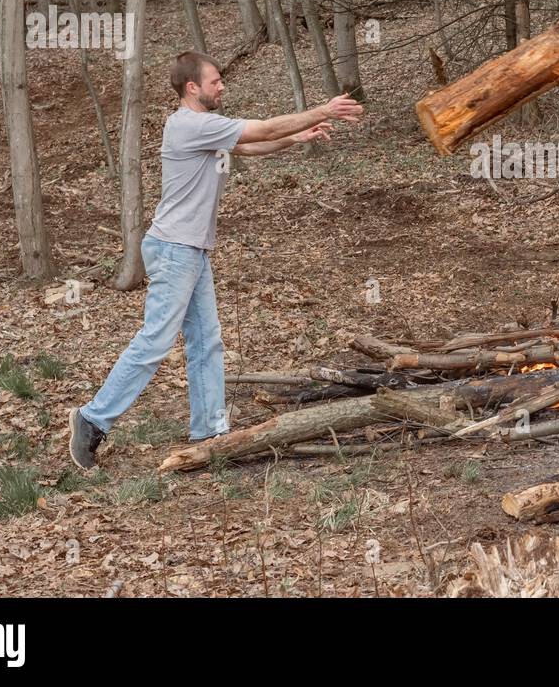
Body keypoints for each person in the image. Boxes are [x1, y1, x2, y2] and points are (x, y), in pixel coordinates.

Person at [68, 51, 363, 469]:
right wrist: (321, 109)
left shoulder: (202, 129)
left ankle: (209, 429)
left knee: (207, 342)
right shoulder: (191, 124)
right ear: (193, 88)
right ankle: (92, 418)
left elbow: (248, 145)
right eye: (215, 81)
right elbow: (262, 127)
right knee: (155, 340)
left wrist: (296, 139)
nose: (222, 86)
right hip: (174, 249)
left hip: (191, 249)